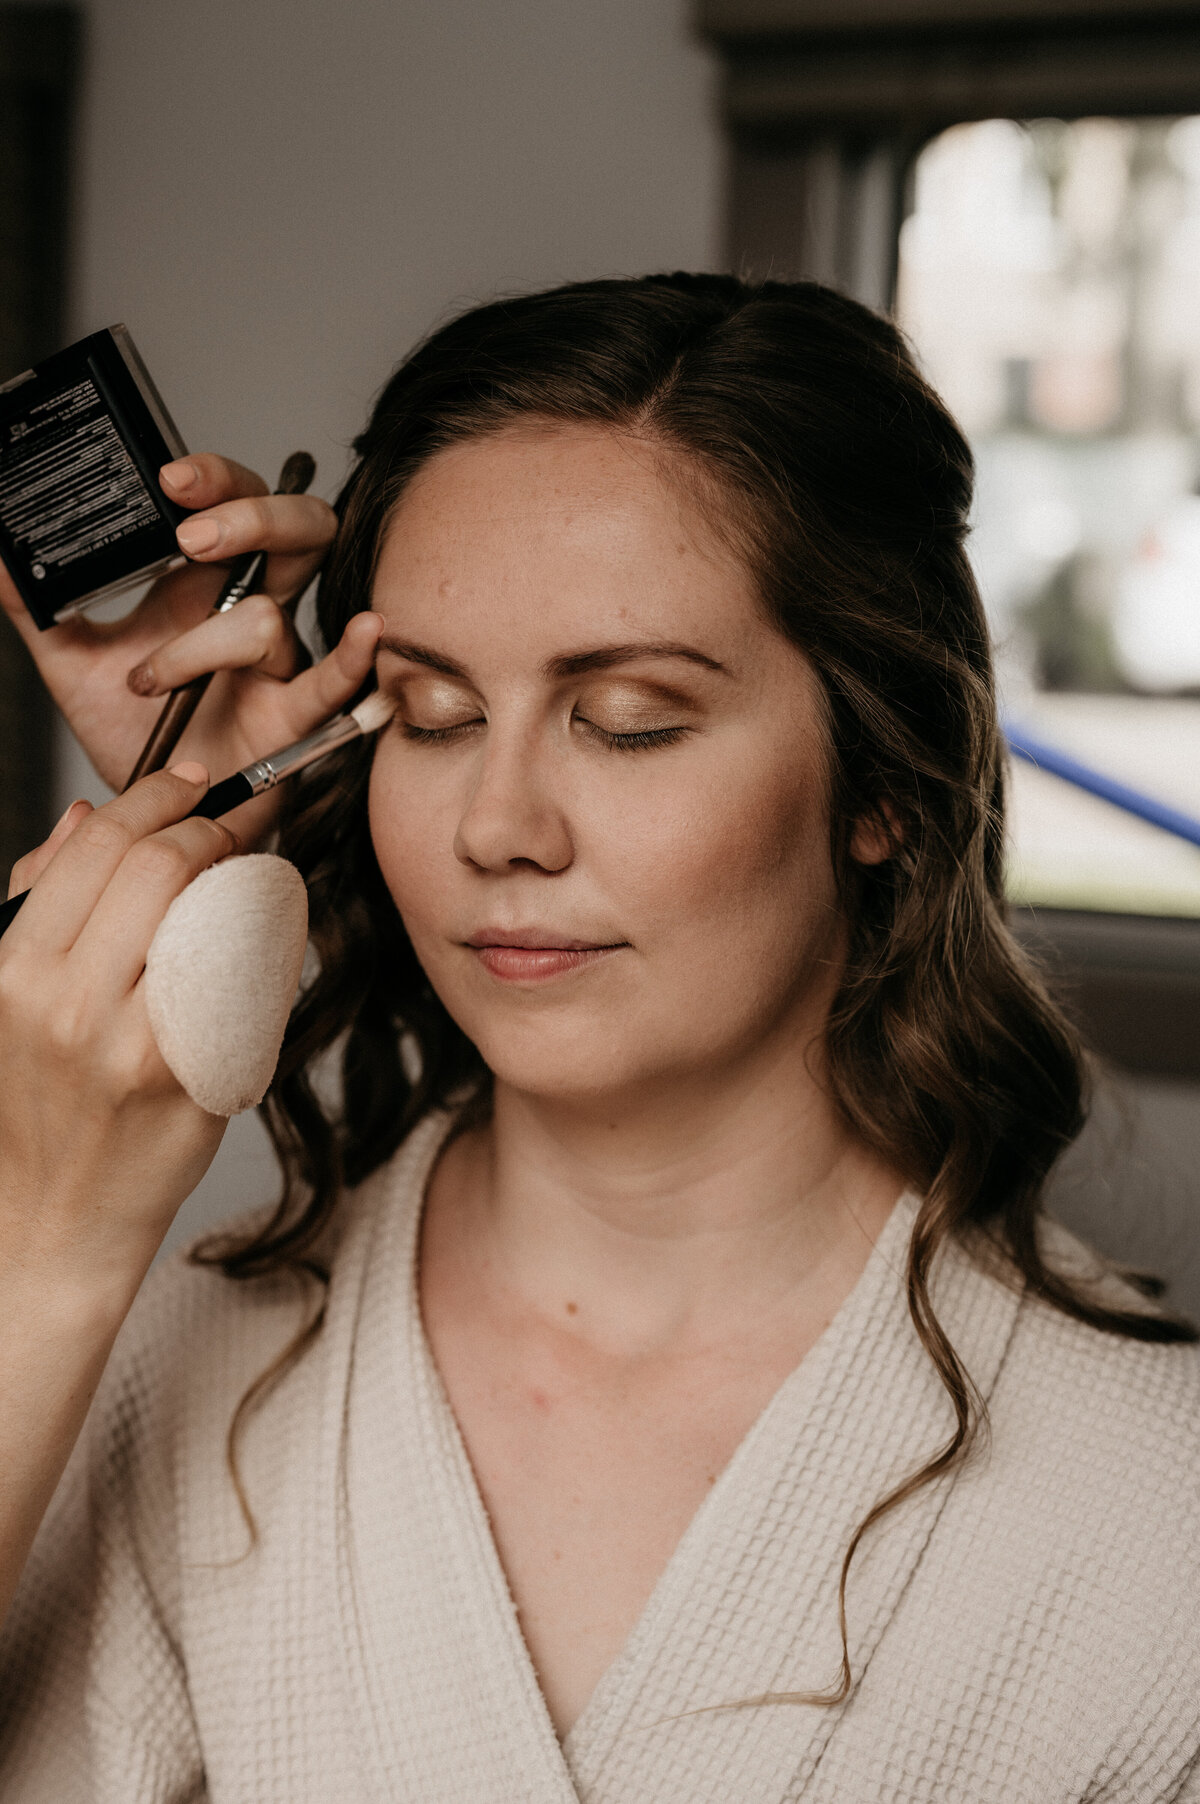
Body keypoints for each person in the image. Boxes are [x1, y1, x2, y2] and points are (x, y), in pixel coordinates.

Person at [0, 274, 1197, 1803]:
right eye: (427, 716)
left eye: (629, 718)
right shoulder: (138, 1373)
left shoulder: (1161, 1518)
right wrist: (46, 1236)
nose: (498, 826)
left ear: (884, 782)